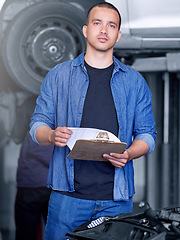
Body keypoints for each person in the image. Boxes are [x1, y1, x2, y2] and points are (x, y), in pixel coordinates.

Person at [29, 2, 156, 239]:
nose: (104, 30)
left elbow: (148, 135)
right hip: (67, 198)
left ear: (118, 35)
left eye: (111, 25)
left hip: (116, 199)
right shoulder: (59, 75)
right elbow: (37, 125)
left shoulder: (134, 82)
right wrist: (51, 135)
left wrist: (128, 154)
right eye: (97, 23)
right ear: (86, 30)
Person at [15, 133, 54, 240]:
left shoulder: (36, 129)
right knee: (54, 232)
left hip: (30, 185)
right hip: (45, 187)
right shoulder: (46, 131)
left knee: (25, 232)